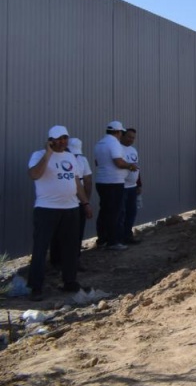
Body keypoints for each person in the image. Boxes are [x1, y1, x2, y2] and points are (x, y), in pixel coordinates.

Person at [28, 125, 92, 300]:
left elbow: (76, 183)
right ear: (50, 140)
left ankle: (69, 281)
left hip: (70, 208)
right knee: (41, 248)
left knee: (71, 247)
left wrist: (85, 202)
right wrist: (48, 154)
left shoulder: (71, 156)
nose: (62, 141)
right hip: (46, 209)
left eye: (65, 138)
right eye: (58, 138)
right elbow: (34, 174)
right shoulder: (39, 156)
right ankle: (36, 287)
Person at [50, 137, 93, 270]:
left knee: (60, 232)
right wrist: (86, 201)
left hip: (63, 201)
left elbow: (87, 181)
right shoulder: (81, 159)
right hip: (70, 202)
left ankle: (58, 261)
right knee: (74, 232)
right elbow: (87, 181)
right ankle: (72, 260)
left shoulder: (60, 158)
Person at [93, 121, 137, 250]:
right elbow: (118, 161)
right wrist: (130, 165)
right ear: (118, 132)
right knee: (115, 212)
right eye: (122, 133)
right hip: (113, 182)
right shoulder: (114, 143)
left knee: (105, 211)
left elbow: (97, 162)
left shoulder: (100, 143)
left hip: (102, 181)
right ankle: (114, 241)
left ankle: (102, 239)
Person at [119, 128, 142, 244]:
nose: (131, 140)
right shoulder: (118, 149)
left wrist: (139, 184)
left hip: (132, 186)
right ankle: (119, 238)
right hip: (122, 186)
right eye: (129, 137)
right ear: (122, 136)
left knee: (131, 212)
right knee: (120, 213)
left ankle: (128, 236)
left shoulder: (133, 150)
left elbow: (136, 167)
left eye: (133, 138)